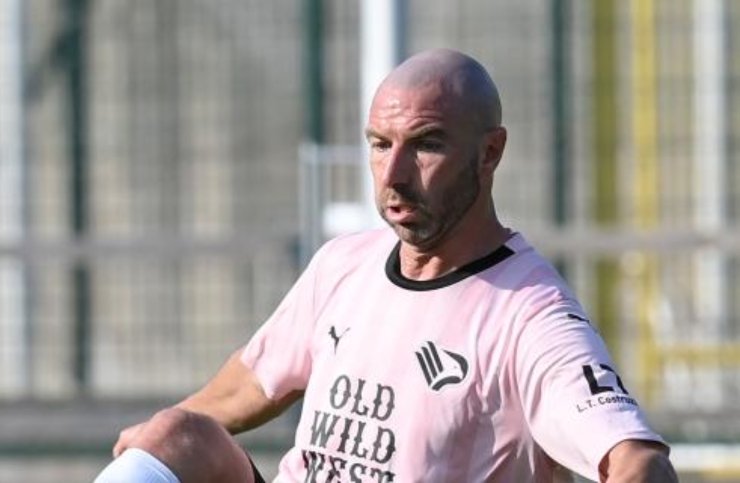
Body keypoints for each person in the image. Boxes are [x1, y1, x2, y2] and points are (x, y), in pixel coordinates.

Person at [95, 48, 678, 482]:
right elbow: (252, 380)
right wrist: (151, 444)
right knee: (179, 434)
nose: (394, 174)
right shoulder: (344, 265)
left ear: (490, 152)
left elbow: (638, 462)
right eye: (379, 144)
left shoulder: (532, 317)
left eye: (425, 145)